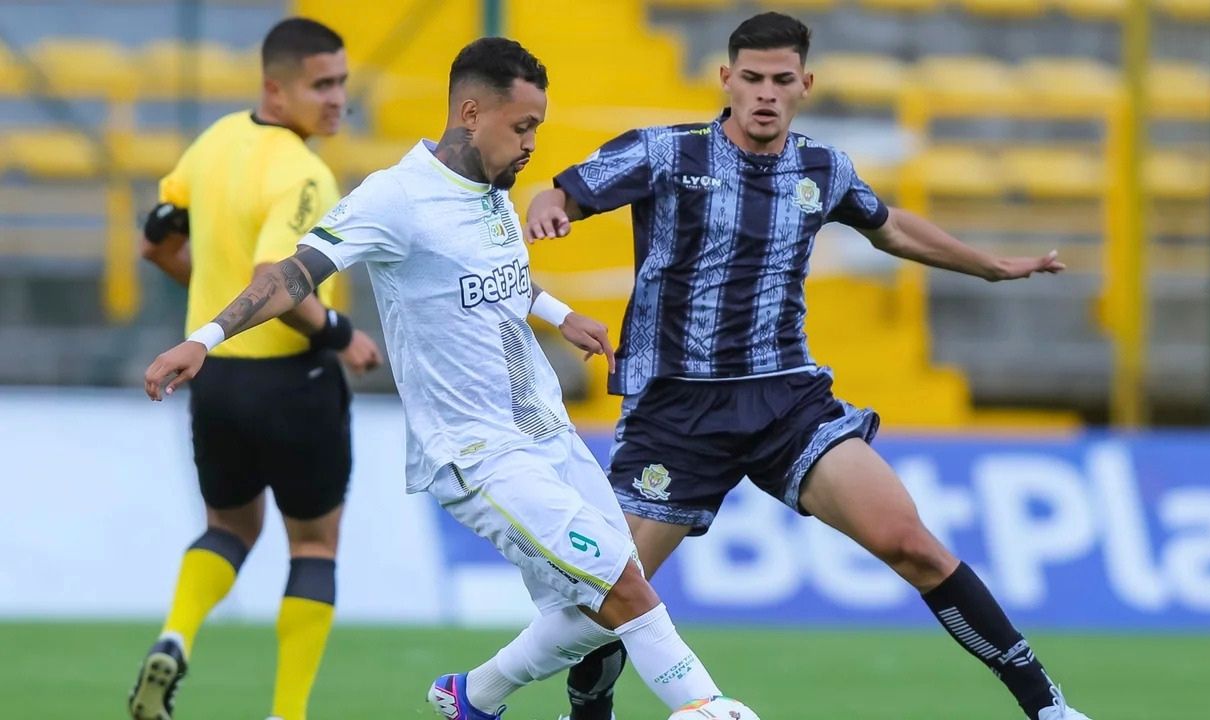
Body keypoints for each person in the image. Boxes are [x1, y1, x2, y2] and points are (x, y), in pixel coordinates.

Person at [142, 37, 744, 720]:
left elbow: (494, 278)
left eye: (537, 128)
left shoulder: (490, 192)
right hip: (478, 452)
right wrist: (204, 338)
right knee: (620, 589)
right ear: (470, 113)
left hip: (546, 430)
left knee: (599, 615)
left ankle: (473, 697)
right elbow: (290, 274)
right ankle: (704, 705)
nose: (531, 144)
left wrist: (557, 311)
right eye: (522, 127)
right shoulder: (397, 199)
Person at [525, 12, 1090, 720]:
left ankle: (1048, 707)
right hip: (676, 412)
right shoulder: (667, 153)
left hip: (786, 402)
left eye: (781, 80)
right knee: (612, 594)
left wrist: (990, 265)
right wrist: (550, 207)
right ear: (726, 80)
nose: (765, 93)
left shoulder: (823, 168)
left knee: (911, 545)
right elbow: (564, 189)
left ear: (805, 85)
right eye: (752, 79)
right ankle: (587, 710)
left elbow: (889, 226)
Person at [128, 17, 381, 720]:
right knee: (313, 544)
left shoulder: (212, 141)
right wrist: (339, 333)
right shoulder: (305, 172)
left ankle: (175, 638)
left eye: (341, 84)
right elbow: (279, 278)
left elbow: (156, 241)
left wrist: (211, 306)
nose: (336, 99)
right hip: (293, 383)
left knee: (231, 529)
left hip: (216, 382)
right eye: (321, 85)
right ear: (276, 88)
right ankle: (287, 713)